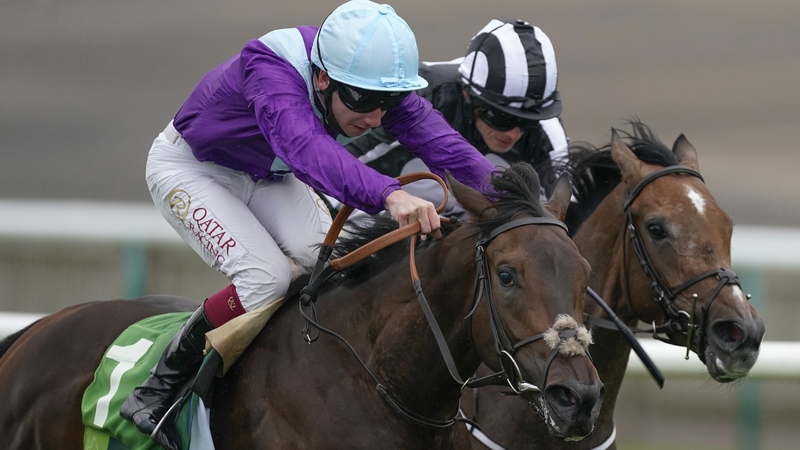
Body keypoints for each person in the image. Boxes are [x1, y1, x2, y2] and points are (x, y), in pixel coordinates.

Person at [119, 1, 495, 449]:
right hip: (193, 169)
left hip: (265, 174)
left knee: (331, 265)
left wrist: (514, 200)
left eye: (387, 105)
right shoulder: (270, 71)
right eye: (366, 104)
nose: (376, 119)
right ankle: (160, 387)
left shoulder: (364, 77)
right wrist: (389, 193)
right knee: (267, 278)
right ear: (322, 78)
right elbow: (307, 151)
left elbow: (446, 147)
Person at [338, 19, 567, 217]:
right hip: (378, 214)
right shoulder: (418, 97)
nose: (514, 134)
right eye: (501, 119)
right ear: (467, 94)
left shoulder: (547, 126)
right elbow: (336, 168)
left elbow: (568, 216)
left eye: (527, 123)